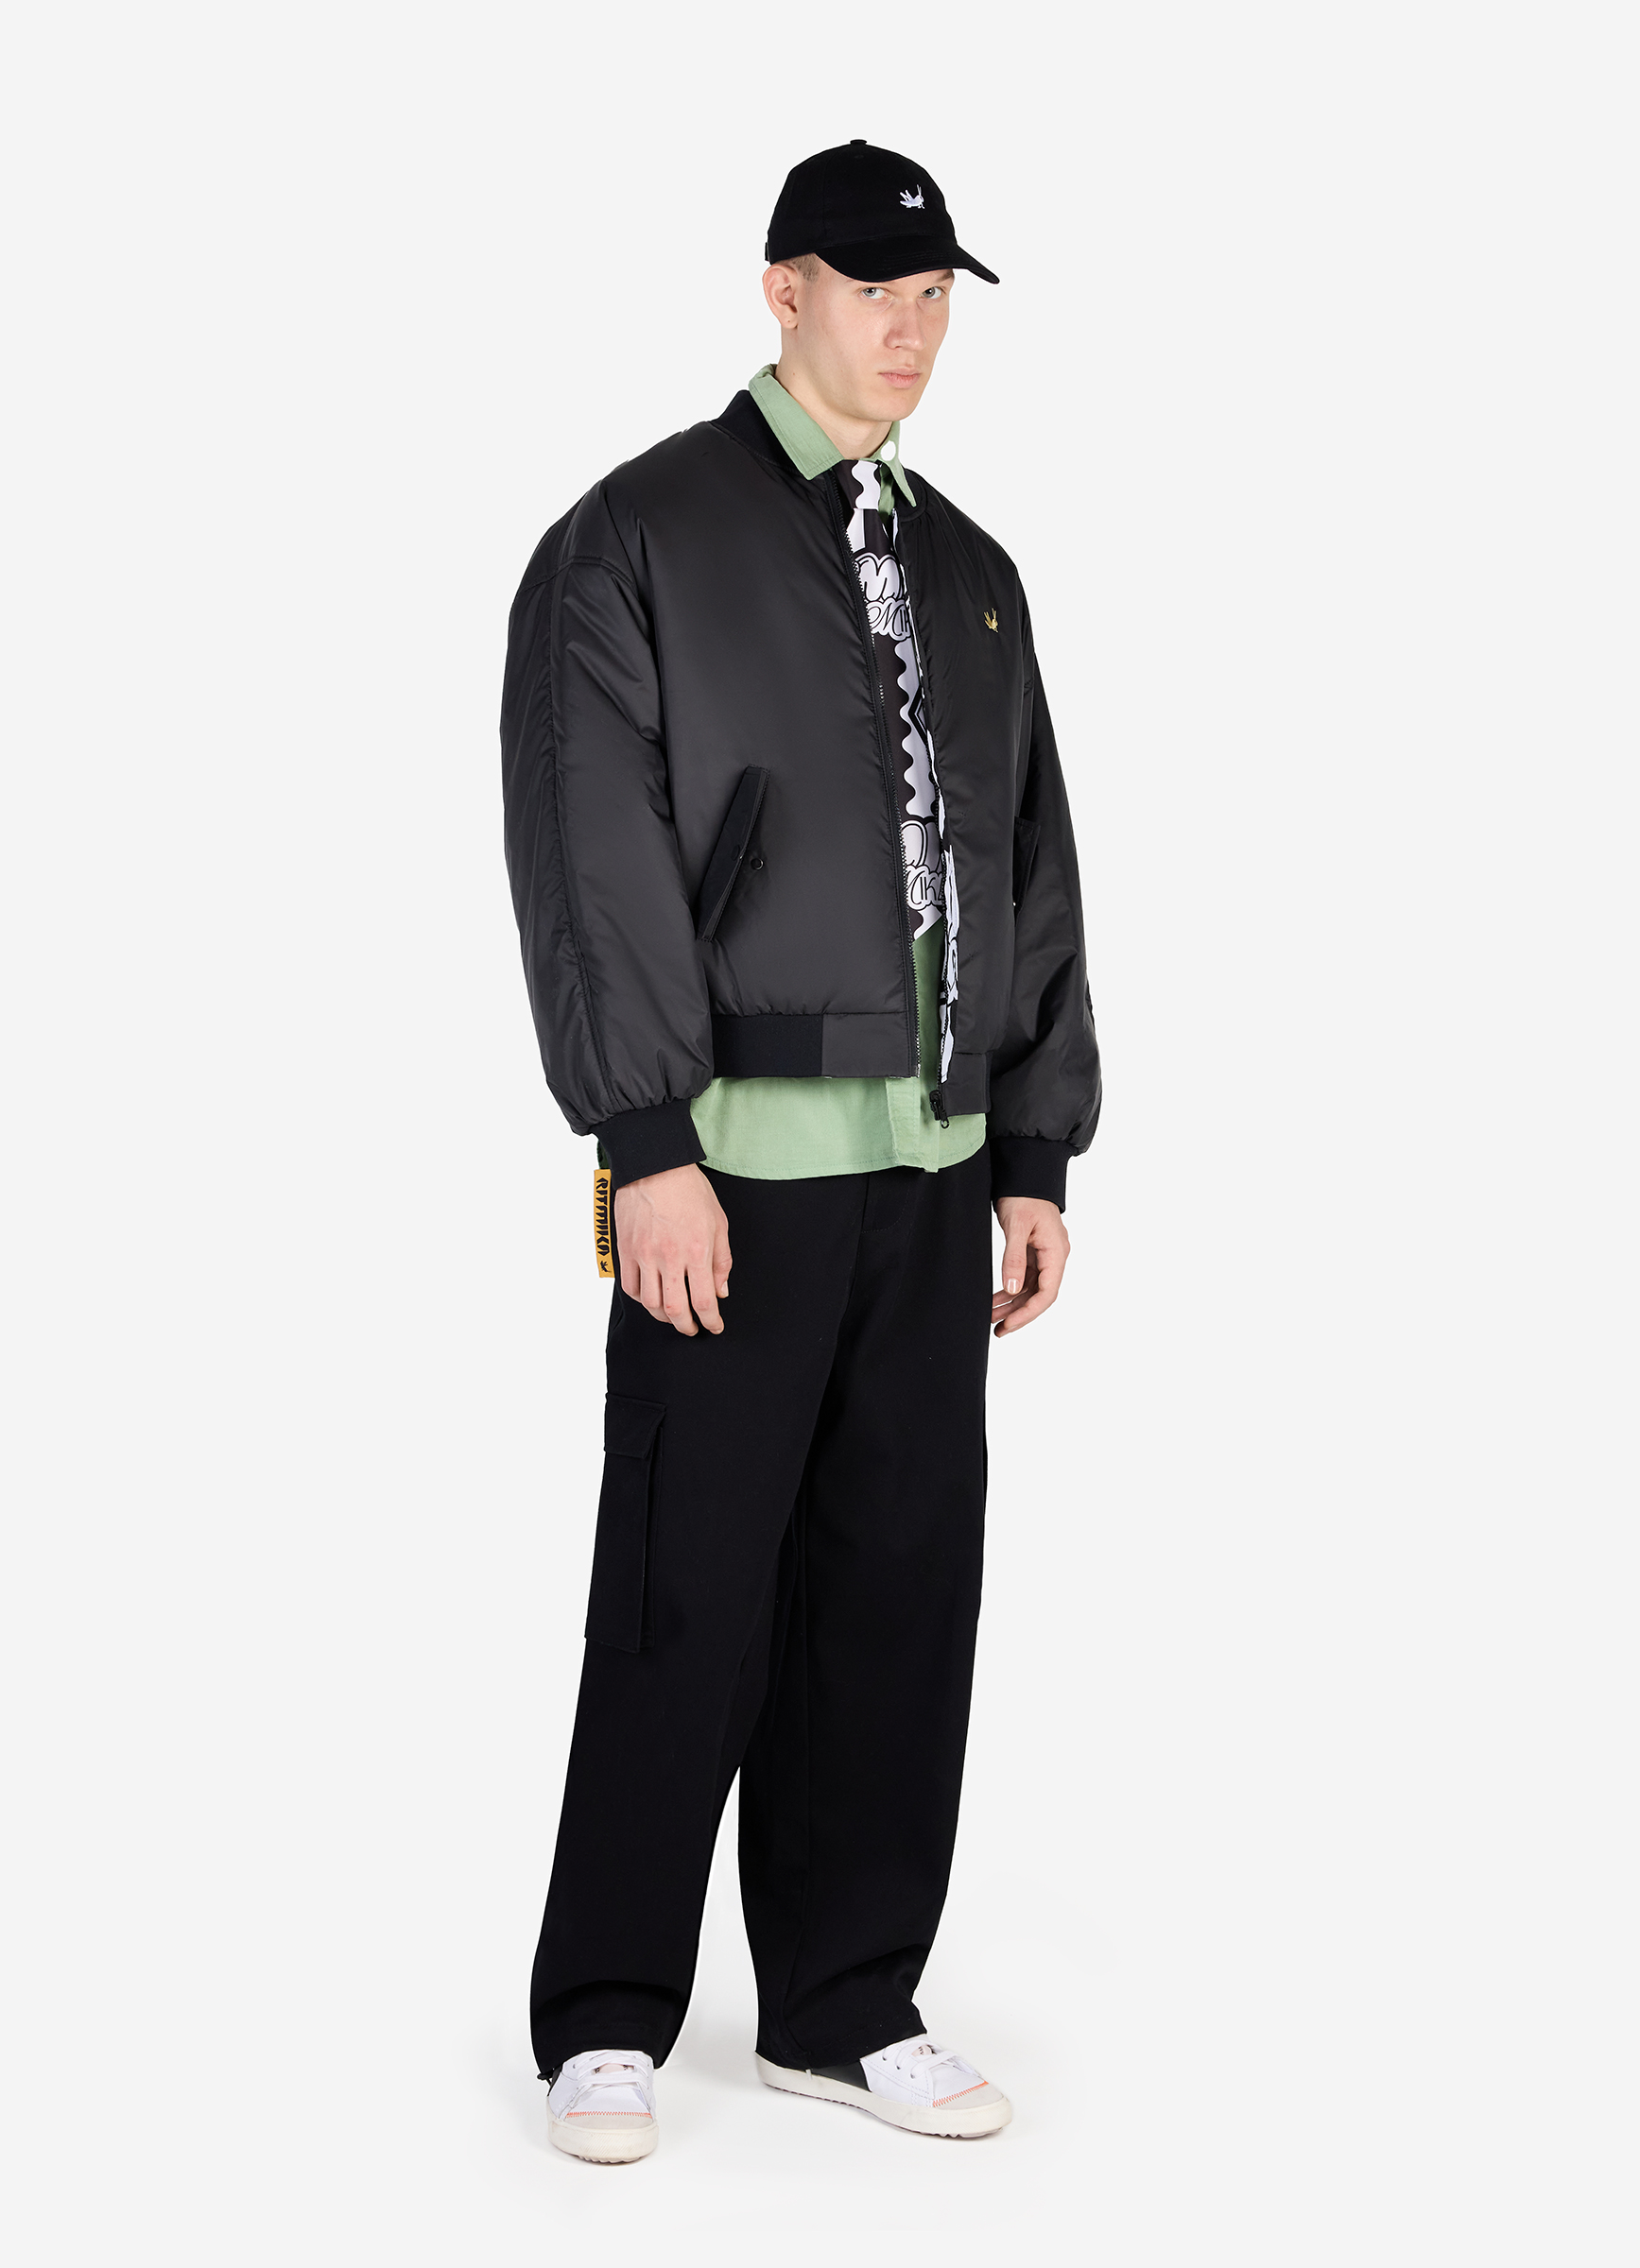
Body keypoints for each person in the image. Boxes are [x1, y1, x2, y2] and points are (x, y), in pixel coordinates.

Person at [499, 139, 1100, 2164]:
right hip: (732, 1169)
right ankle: (607, 2011)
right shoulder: (637, 540)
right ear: (784, 291)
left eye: (934, 296)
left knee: (899, 1588)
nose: (911, 328)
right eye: (873, 288)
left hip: (934, 1175)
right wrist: (645, 1138)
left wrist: (1036, 1148)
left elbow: (1031, 864)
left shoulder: (973, 570)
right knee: (689, 1583)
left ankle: (845, 2003)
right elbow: (588, 852)